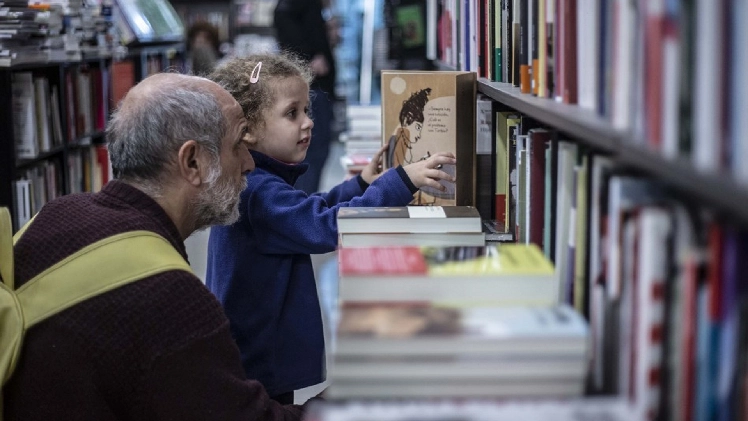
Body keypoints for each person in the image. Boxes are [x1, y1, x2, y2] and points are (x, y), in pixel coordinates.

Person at [4, 72, 306, 421]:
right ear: (193, 162)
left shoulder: (54, 215)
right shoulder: (169, 297)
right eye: (239, 144)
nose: (250, 163)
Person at [205, 52, 456, 405]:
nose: (308, 122)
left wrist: (362, 185)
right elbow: (326, 226)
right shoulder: (258, 192)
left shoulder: (261, 181)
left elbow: (310, 211)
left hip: (256, 351)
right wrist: (401, 181)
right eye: (292, 113)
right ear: (247, 131)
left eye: (307, 110)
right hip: (259, 359)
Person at [273, 0, 337, 194]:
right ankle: (305, 206)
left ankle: (306, 204)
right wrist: (309, 62)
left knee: (312, 151)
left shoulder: (306, 7)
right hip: (312, 89)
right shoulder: (298, 6)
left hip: (314, 87)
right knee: (310, 152)